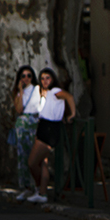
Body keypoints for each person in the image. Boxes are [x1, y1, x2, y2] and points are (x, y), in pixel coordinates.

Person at [26, 68, 76, 204]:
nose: (45, 81)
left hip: (49, 129)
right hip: (43, 126)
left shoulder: (55, 92)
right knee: (43, 163)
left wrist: (72, 114)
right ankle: (42, 192)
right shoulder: (44, 93)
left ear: (52, 79)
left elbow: (69, 97)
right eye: (42, 78)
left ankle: (38, 187)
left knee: (32, 162)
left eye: (47, 78)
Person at [6, 65, 40, 198]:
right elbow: (19, 109)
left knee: (34, 156)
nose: (26, 78)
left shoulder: (37, 90)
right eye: (23, 76)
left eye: (29, 76)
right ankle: (26, 187)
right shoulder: (20, 93)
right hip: (22, 126)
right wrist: (20, 89)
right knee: (23, 156)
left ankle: (37, 186)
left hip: (34, 125)